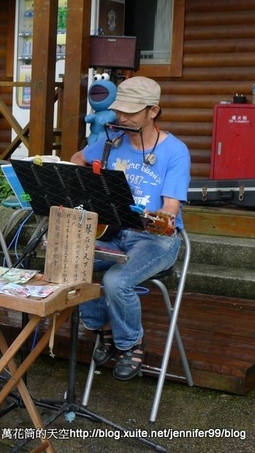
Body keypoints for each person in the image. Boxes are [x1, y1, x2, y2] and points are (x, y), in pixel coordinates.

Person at [70, 76, 191, 381]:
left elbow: (170, 212)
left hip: (156, 238)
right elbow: (76, 160)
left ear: (153, 110)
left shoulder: (175, 151)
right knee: (71, 262)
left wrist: (153, 216)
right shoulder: (112, 142)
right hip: (112, 231)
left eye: (131, 112)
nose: (122, 117)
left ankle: (130, 343)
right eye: (119, 110)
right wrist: (90, 190)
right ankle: (103, 328)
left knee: (116, 281)